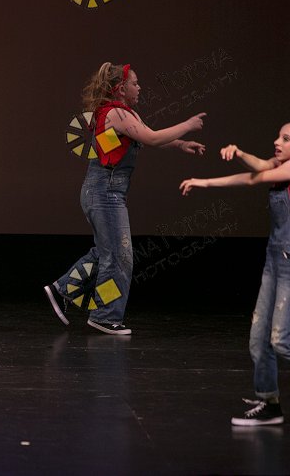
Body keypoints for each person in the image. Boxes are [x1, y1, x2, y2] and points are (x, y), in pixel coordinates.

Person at [44, 62, 206, 335]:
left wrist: (180, 143)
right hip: (104, 193)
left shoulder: (123, 113)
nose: (139, 87)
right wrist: (187, 125)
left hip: (103, 192)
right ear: (121, 89)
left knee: (106, 253)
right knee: (120, 258)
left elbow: (149, 136)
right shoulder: (116, 113)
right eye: (135, 83)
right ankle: (105, 315)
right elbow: (152, 138)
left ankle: (64, 289)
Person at [180, 129, 290, 426]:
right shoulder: (279, 166)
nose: (277, 142)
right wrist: (238, 155)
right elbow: (259, 166)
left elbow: (253, 178)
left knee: (281, 340)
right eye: (278, 136)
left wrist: (209, 180)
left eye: (286, 139)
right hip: (274, 259)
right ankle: (269, 403)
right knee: (259, 339)